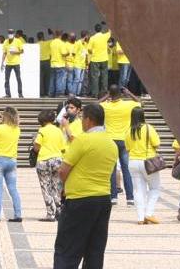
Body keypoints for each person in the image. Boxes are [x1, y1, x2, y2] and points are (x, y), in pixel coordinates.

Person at [54, 103, 117, 269]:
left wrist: (64, 188)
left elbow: (63, 170)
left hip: (80, 198)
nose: (81, 121)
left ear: (89, 120)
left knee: (67, 249)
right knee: (95, 250)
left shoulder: (83, 139)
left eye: (82, 118)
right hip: (103, 199)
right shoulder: (111, 143)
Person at [100, 85, 139, 205]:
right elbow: (139, 102)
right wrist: (129, 93)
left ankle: (113, 197)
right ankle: (130, 197)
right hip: (124, 140)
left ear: (110, 94)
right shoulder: (128, 105)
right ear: (121, 94)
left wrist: (107, 96)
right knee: (126, 168)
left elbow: (94, 105)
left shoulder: (105, 106)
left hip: (110, 140)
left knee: (112, 169)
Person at [123, 107, 161, 224]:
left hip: (133, 162)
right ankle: (148, 213)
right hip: (148, 161)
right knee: (154, 188)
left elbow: (128, 148)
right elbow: (157, 143)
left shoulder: (129, 131)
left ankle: (140, 217)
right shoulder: (148, 128)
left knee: (138, 190)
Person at [34, 109, 66, 222]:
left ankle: (50, 213)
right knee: (56, 186)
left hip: (44, 160)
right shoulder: (58, 131)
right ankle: (59, 210)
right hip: (57, 160)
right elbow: (63, 148)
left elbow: (37, 147)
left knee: (45, 186)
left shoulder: (41, 130)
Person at [87, 24, 111, 98]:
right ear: (101, 29)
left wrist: (93, 52)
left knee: (95, 77)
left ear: (95, 29)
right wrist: (107, 24)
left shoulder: (92, 38)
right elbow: (110, 31)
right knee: (104, 76)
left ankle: (95, 93)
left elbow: (89, 49)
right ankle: (104, 92)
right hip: (104, 58)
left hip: (95, 59)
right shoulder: (105, 36)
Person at [1, 30, 24, 99]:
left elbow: (22, 51)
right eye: (9, 33)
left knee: (18, 79)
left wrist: (15, 52)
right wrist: (2, 63)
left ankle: (20, 94)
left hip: (16, 63)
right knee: (6, 79)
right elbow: (4, 53)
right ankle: (8, 94)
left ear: (13, 34)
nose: (10, 35)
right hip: (8, 63)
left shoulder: (18, 41)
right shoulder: (5, 42)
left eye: (11, 33)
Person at [49, 32, 68, 98]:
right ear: (60, 36)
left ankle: (51, 93)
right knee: (59, 79)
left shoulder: (52, 42)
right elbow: (63, 53)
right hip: (60, 64)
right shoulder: (61, 43)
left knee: (52, 79)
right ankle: (58, 93)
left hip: (52, 64)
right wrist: (67, 53)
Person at [38, 32, 50, 97]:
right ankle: (47, 92)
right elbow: (55, 38)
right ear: (43, 37)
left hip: (39, 62)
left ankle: (41, 93)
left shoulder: (36, 44)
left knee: (41, 78)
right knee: (47, 78)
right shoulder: (47, 43)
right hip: (47, 62)